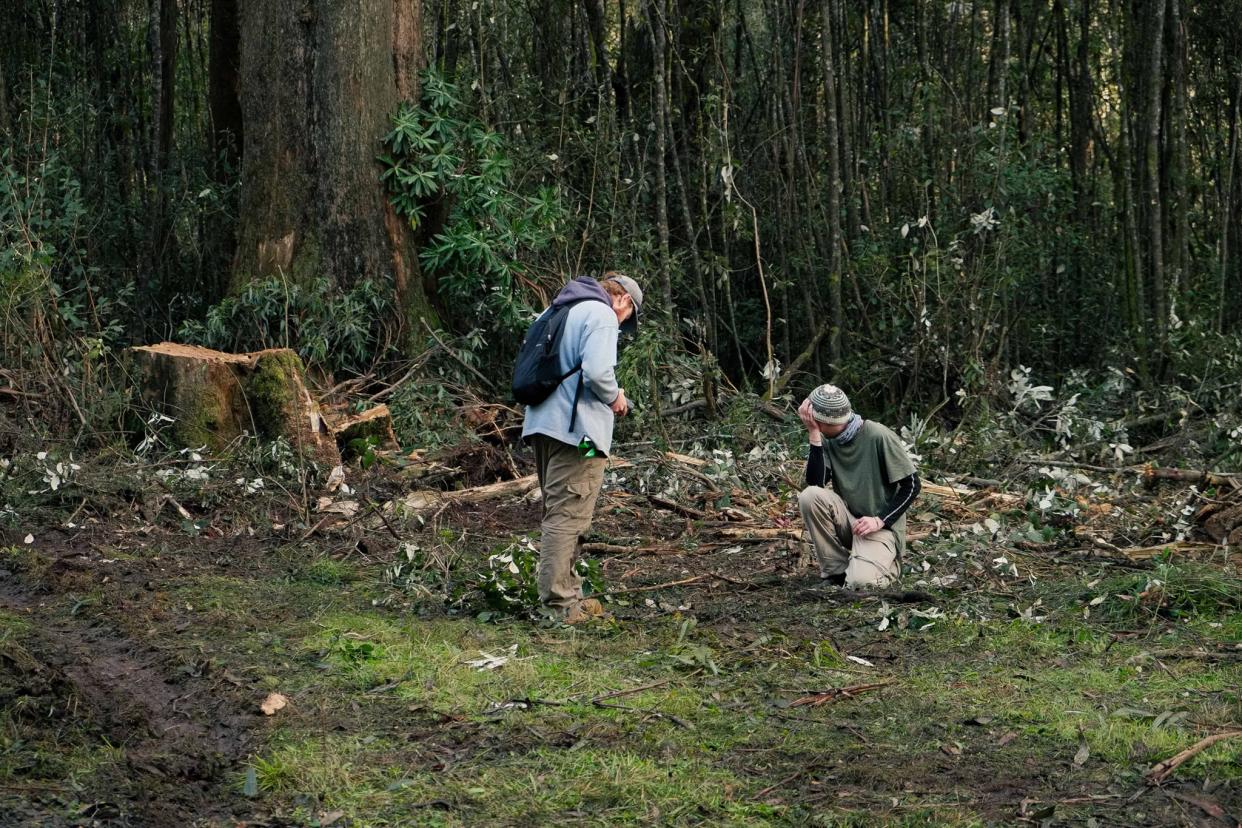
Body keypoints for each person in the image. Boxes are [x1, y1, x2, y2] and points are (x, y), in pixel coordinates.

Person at [521, 272, 643, 623]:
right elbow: (597, 374)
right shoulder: (602, 313)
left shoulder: (557, 309)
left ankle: (570, 590)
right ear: (623, 300)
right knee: (569, 511)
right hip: (579, 434)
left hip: (544, 427)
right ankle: (561, 606)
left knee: (565, 506)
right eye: (628, 316)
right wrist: (617, 397)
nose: (623, 323)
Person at [796, 384, 921, 588]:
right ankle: (836, 571)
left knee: (861, 584)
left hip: (880, 529)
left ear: (824, 420)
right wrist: (814, 435)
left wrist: (880, 520)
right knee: (810, 496)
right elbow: (816, 483)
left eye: (812, 420)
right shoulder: (827, 440)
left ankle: (890, 566)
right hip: (852, 523)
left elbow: (913, 485)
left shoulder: (877, 435)